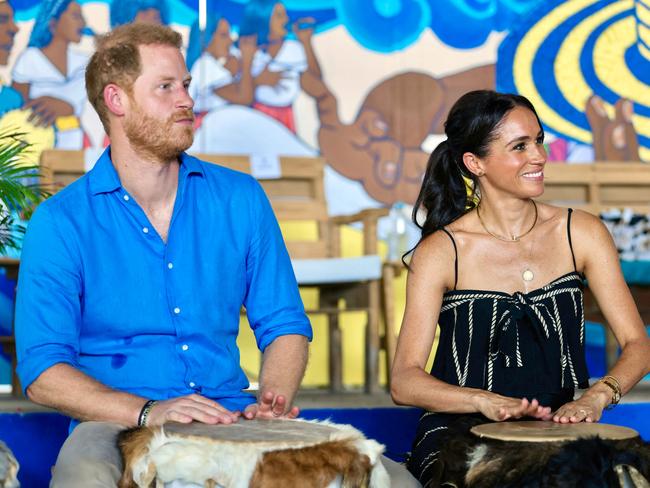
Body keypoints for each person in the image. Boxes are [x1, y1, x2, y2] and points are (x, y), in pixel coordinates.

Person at [14, 23, 312, 487]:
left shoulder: (240, 198)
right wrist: (149, 410)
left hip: (227, 414)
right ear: (116, 101)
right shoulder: (61, 221)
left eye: (187, 86)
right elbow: (42, 372)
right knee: (83, 477)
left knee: (388, 479)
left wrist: (271, 400)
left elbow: (285, 324)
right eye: (166, 87)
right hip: (113, 425)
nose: (187, 100)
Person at [389, 90, 650, 486]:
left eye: (539, 141)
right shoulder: (441, 252)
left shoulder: (581, 232)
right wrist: (483, 401)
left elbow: (637, 343)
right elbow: (404, 380)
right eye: (520, 146)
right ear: (475, 163)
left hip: (557, 424)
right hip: (459, 433)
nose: (539, 156)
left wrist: (597, 396)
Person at [11, 0, 88, 148]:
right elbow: (15, 110)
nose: (83, 23)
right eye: (76, 16)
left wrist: (68, 107)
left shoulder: (84, 63)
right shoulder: (30, 59)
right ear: (53, 23)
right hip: (38, 148)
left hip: (75, 146)